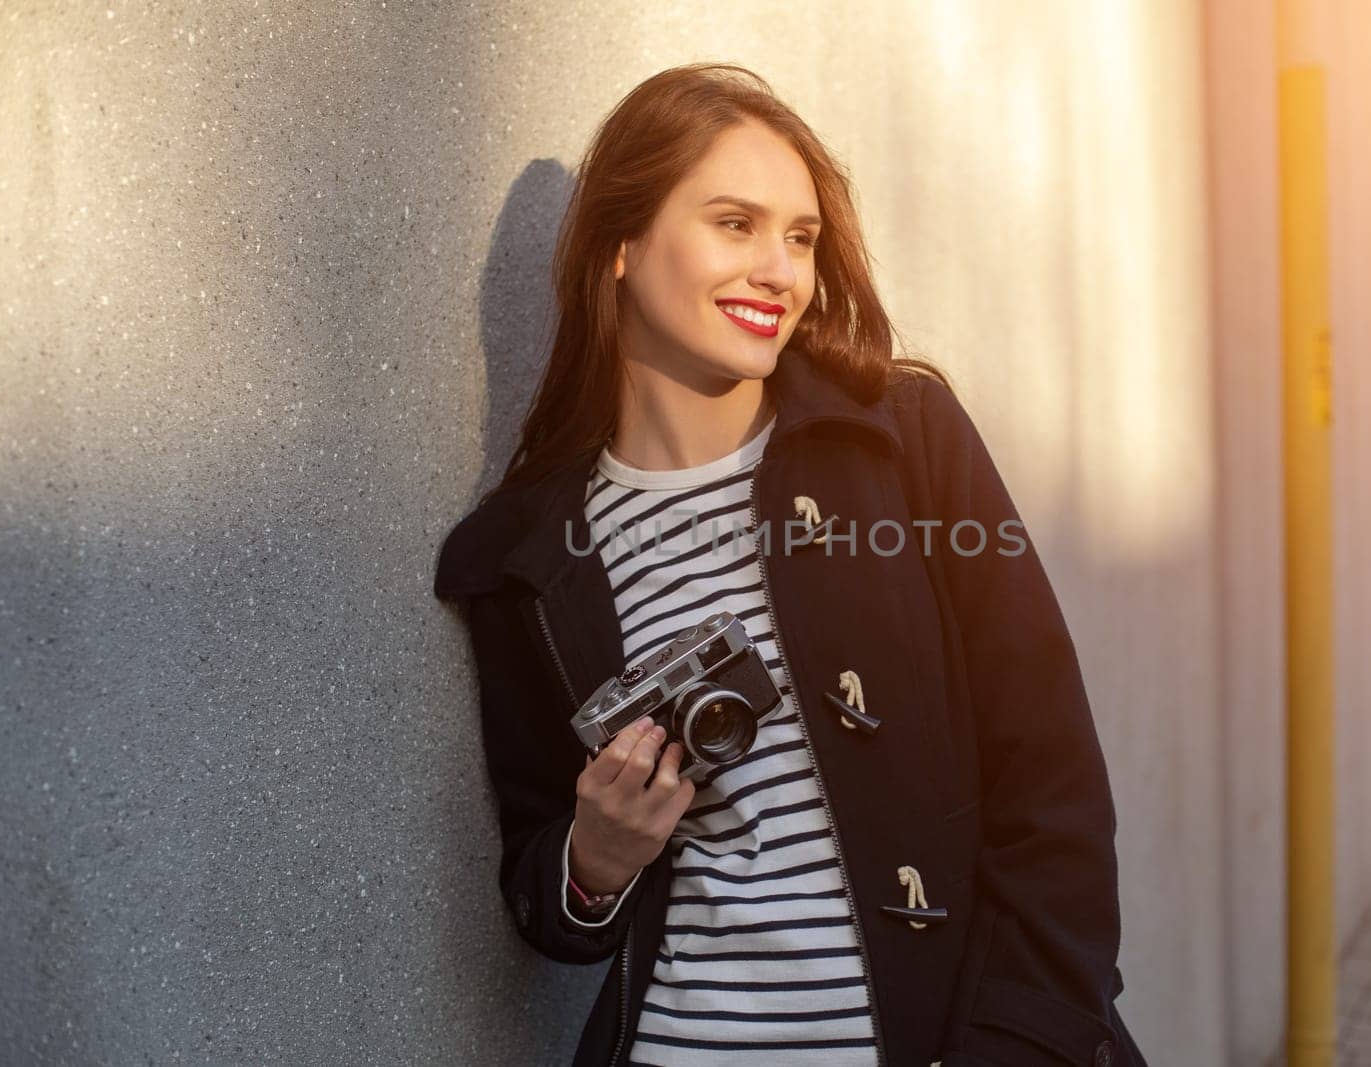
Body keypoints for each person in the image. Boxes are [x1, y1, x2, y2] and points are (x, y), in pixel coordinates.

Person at [434, 62, 1147, 1067]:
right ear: (622, 247)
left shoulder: (902, 441)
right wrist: (595, 857)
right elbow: (543, 891)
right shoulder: (533, 558)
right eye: (735, 224)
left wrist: (1018, 1040)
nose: (780, 269)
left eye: (800, 236)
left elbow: (1054, 782)